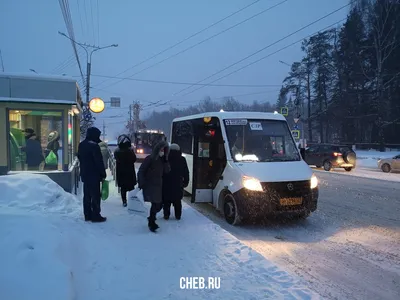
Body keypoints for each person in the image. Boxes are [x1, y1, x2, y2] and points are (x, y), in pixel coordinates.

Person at [137, 140, 170, 232]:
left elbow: (167, 171)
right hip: (150, 184)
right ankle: (152, 222)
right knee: (156, 203)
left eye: (165, 150)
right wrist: (141, 182)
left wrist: (166, 161)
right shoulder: (150, 158)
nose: (163, 152)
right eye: (162, 150)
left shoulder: (163, 160)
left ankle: (151, 219)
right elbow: (141, 171)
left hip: (159, 185)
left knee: (158, 205)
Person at [77, 127, 107, 223]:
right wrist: (103, 173)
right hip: (94, 174)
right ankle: (96, 215)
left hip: (85, 174)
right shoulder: (94, 146)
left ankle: (87, 215)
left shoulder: (81, 145)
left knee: (87, 195)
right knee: (95, 196)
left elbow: (80, 157)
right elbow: (98, 161)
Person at [162, 143, 189, 220]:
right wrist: (186, 182)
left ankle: (166, 215)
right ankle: (178, 215)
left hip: (166, 183)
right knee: (177, 200)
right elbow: (186, 172)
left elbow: (162, 171)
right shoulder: (182, 159)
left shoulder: (166, 159)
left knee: (166, 200)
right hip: (178, 183)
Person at [114, 134, 137, 207]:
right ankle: (131, 201)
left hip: (121, 172)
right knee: (131, 188)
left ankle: (124, 201)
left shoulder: (117, 152)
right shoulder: (130, 151)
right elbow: (134, 159)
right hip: (130, 172)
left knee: (123, 188)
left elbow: (116, 159)